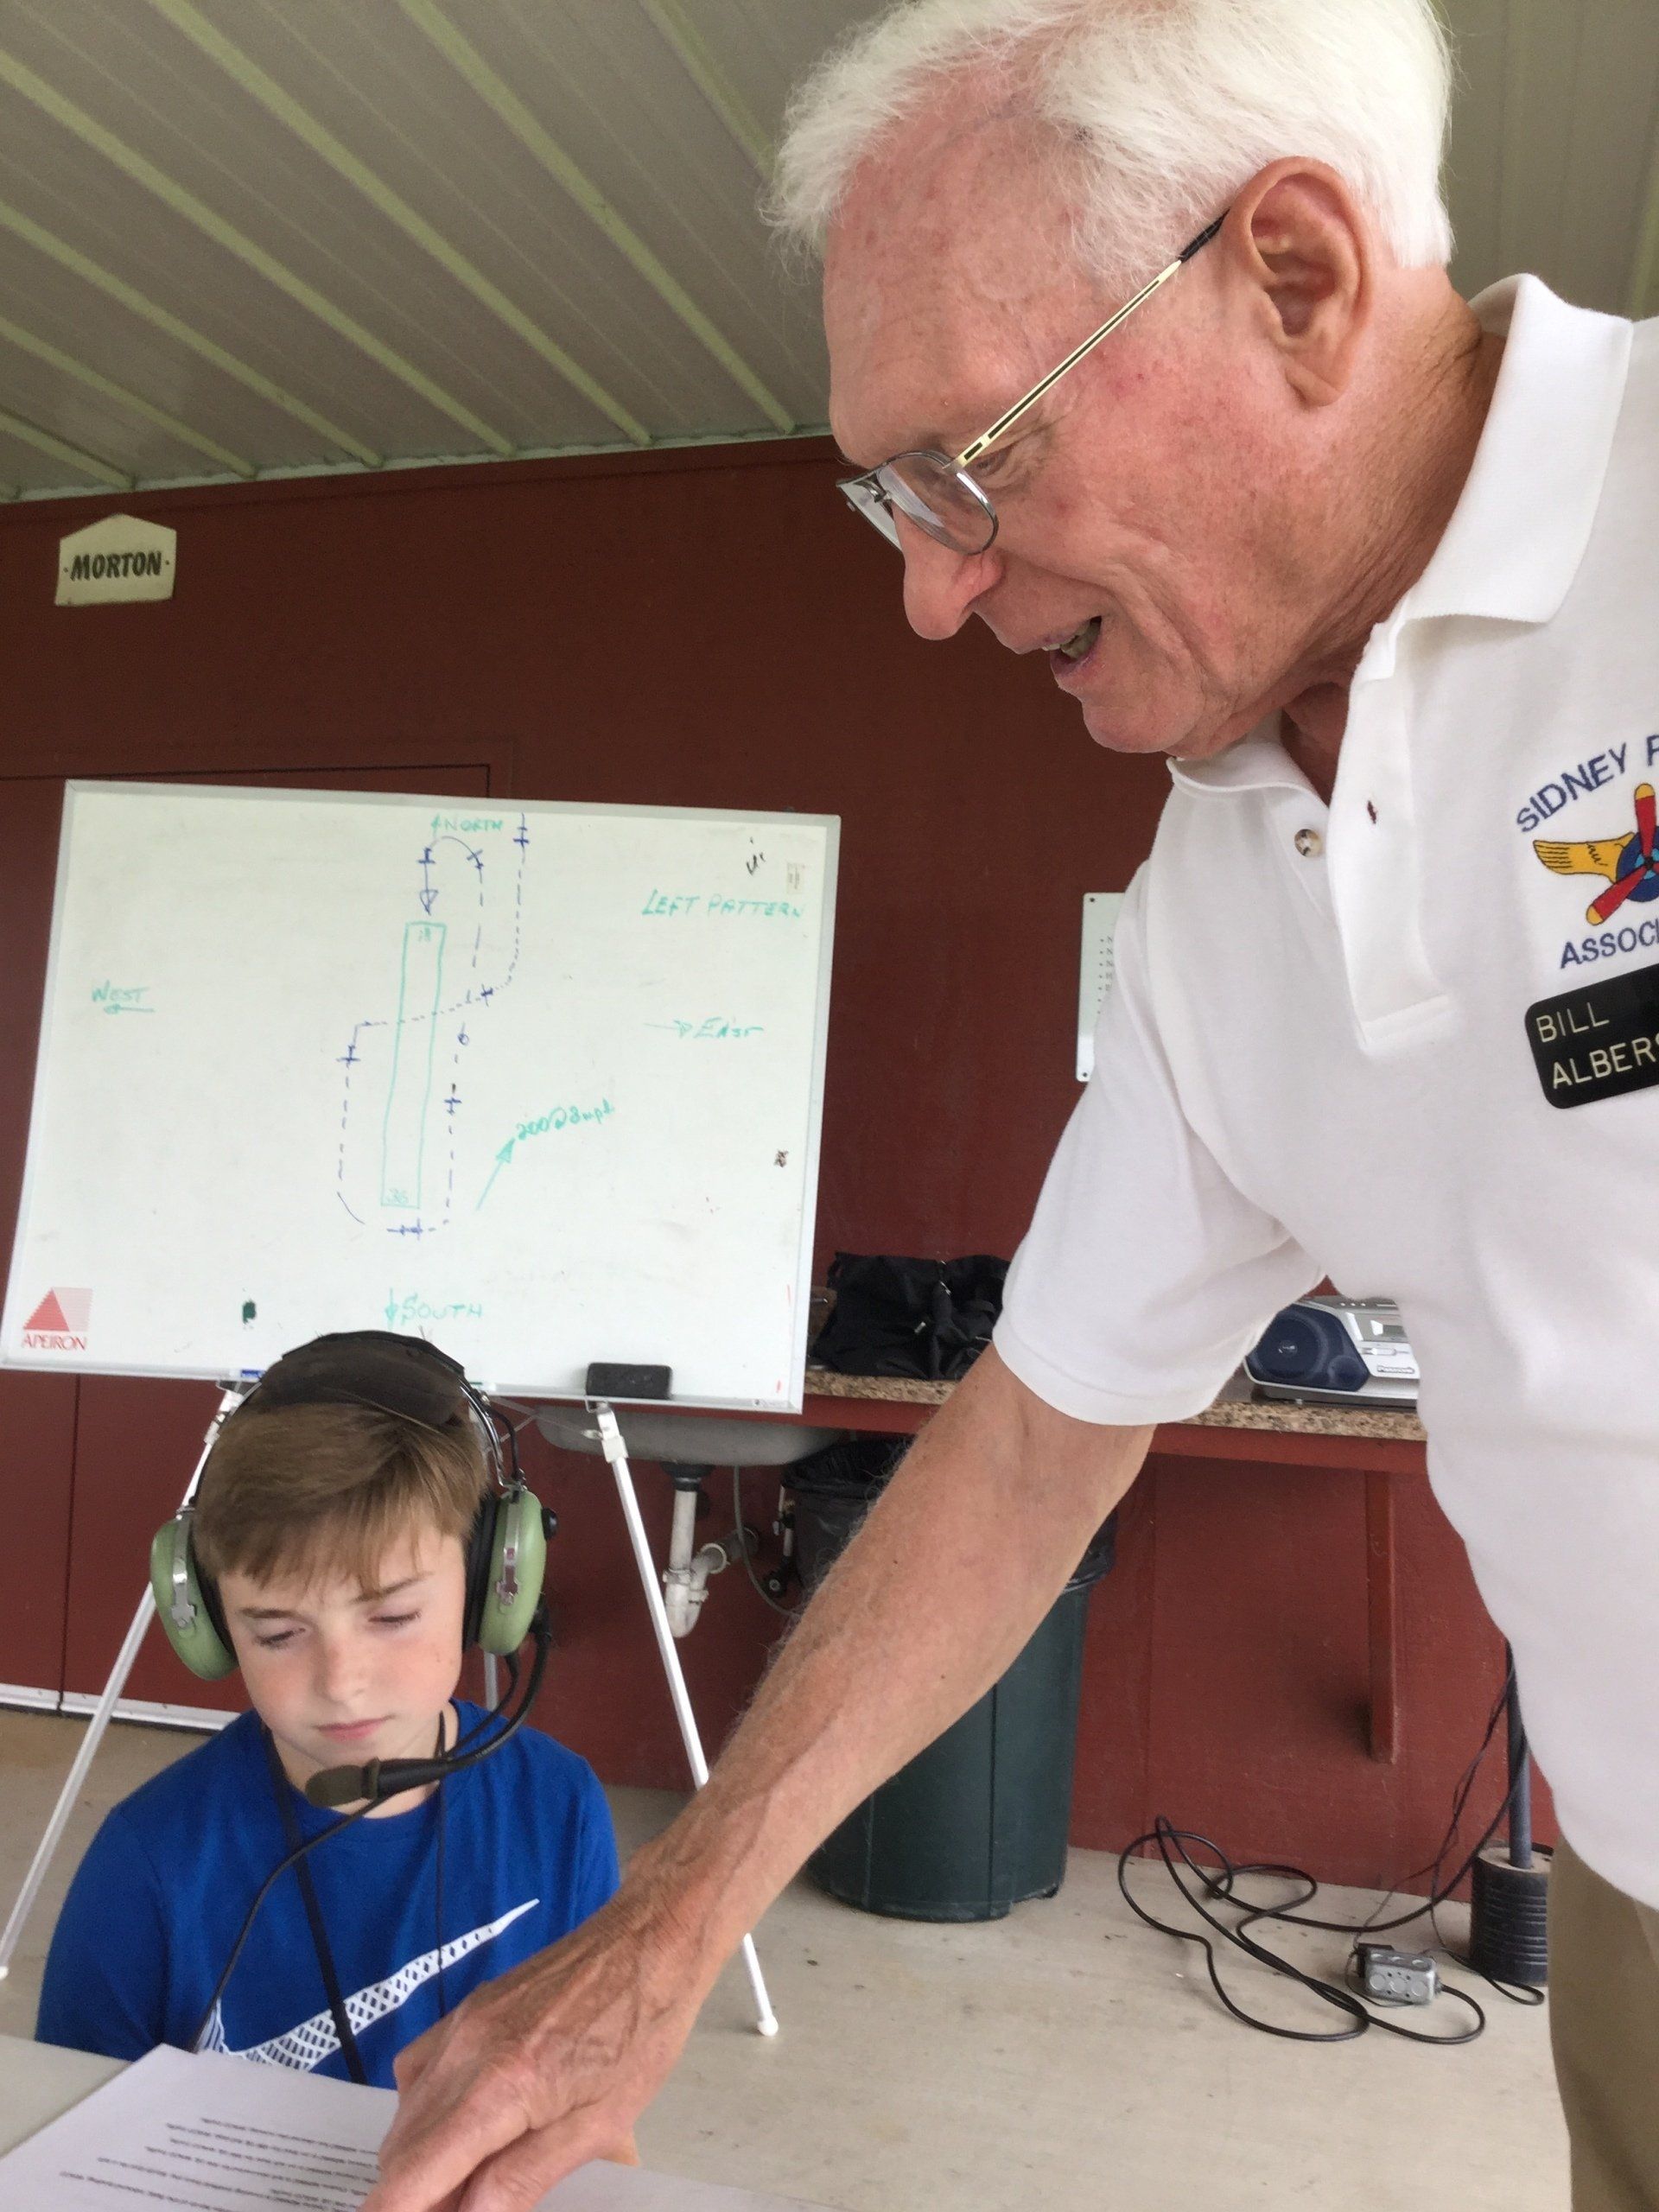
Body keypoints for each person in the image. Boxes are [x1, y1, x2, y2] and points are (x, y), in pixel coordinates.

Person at [363, 4, 1659, 2208]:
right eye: (891, 493)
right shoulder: (1213, 887)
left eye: (976, 461)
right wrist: (668, 1930)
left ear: (1297, 279)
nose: (929, 585)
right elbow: (1042, 1426)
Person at [37, 1332, 623, 2097]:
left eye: (392, 1617)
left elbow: (591, 2108)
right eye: (279, 1633)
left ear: (490, 1587)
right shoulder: (149, 1861)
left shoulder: (560, 1812)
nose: (342, 1683)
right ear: (211, 1626)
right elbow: (69, 2145)